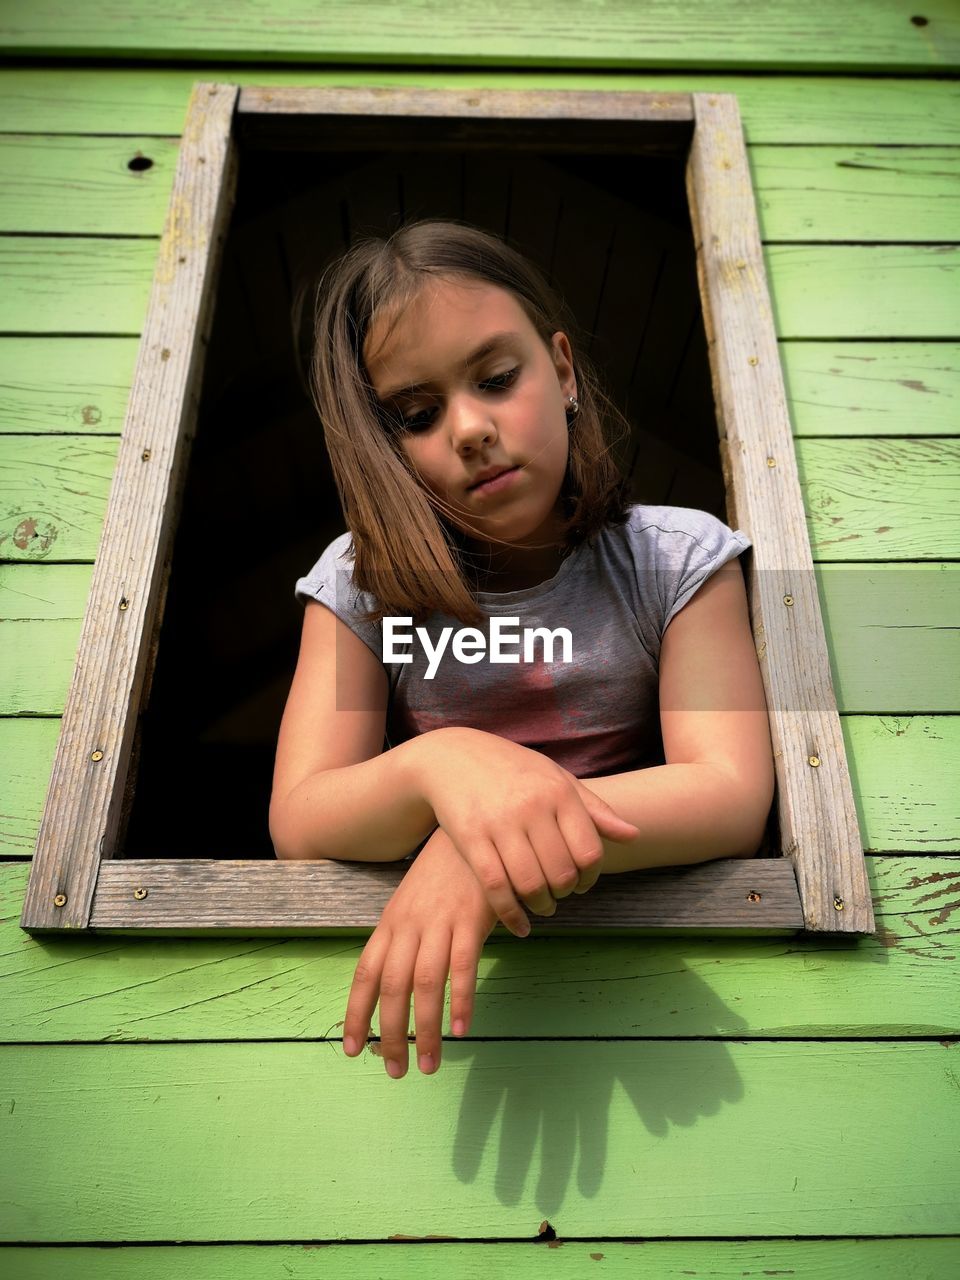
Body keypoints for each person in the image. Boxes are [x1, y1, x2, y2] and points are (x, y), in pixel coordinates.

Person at [269, 219, 774, 1081]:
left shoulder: (675, 559)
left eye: (498, 379)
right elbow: (301, 818)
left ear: (564, 370)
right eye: (417, 416)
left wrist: (475, 846)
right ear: (382, 449)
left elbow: (729, 793)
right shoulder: (363, 582)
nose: (470, 428)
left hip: (658, 1018)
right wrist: (450, 766)